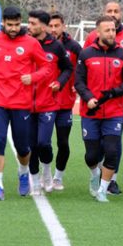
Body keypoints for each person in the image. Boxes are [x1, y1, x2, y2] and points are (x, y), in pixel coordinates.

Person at [0, 7, 53, 201]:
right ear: (3, 24)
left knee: (23, 147)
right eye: (10, 25)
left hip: (21, 103)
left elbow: (46, 68)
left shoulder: (31, 43)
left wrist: (32, 77)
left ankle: (23, 172)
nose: (14, 28)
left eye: (17, 24)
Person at [76, 16, 123, 203]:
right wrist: (89, 98)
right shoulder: (86, 54)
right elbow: (78, 82)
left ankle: (102, 189)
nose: (112, 33)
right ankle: (95, 173)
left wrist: (112, 93)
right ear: (98, 33)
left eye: (113, 30)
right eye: (107, 30)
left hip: (114, 112)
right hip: (90, 112)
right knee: (91, 155)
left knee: (111, 151)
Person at [27, 10, 73, 195]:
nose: (29, 27)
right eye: (28, 23)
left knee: (43, 143)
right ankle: (35, 181)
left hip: (48, 103)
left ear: (43, 26)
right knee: (30, 145)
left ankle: (47, 171)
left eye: (33, 23)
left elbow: (68, 68)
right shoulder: (24, 42)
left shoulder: (56, 47)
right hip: (25, 103)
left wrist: (59, 82)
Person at [48, 12, 83, 190]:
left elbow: (83, 67)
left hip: (64, 103)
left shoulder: (74, 47)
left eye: (57, 26)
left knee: (63, 142)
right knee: (42, 142)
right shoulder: (41, 44)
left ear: (64, 26)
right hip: (43, 103)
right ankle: (42, 174)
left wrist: (78, 84)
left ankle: (58, 177)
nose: (53, 30)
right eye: (51, 26)